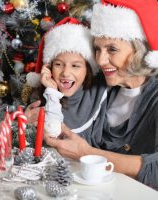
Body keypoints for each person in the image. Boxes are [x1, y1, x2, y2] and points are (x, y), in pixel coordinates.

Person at [44, 0, 158, 189]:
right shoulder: (101, 88)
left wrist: (87, 154)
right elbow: (68, 128)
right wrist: (47, 100)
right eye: (97, 49)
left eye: (112, 49)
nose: (101, 60)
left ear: (140, 50)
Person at [36, 17, 106, 138]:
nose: (66, 73)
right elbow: (52, 132)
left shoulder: (98, 92)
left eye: (75, 66)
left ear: (87, 70)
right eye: (58, 64)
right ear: (49, 67)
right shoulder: (42, 98)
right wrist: (52, 92)